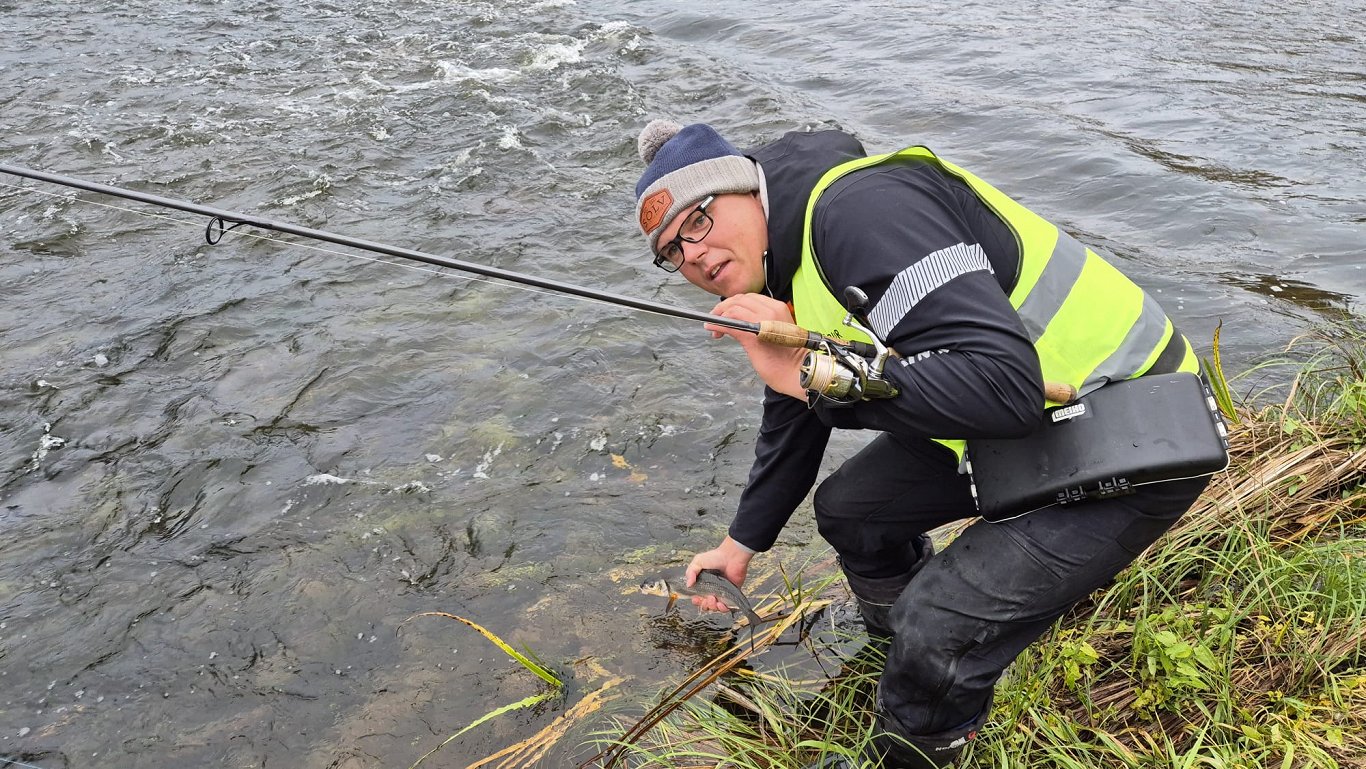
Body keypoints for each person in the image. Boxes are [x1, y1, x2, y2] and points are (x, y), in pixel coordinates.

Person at [630, 119, 1211, 768]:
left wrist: (810, 373)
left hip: (1136, 423)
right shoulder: (784, 261)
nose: (694, 256)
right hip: (1016, 422)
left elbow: (1006, 388)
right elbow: (799, 414)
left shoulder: (862, 213)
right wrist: (741, 542)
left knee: (938, 628)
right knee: (852, 513)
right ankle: (895, 662)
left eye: (700, 220)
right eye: (672, 252)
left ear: (743, 189)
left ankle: (922, 707)